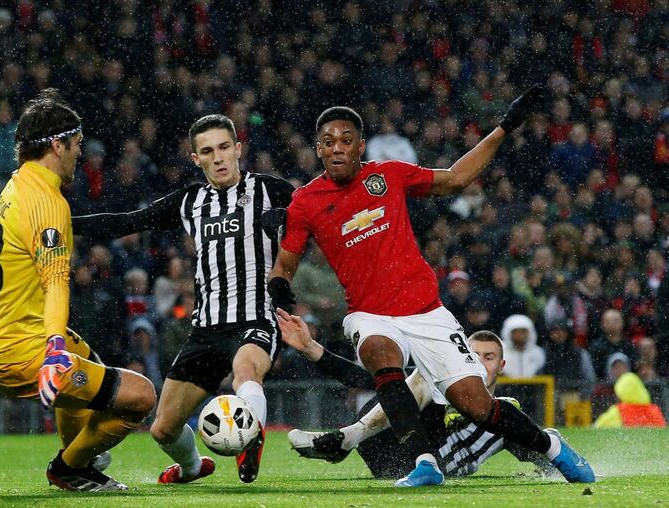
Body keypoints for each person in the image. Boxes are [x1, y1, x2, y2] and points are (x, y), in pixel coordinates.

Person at [268, 89, 594, 487]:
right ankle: (426, 464)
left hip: (426, 312)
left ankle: (552, 448)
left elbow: (455, 178)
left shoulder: (388, 174)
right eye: (329, 142)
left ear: (360, 146)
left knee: (478, 407)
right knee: (379, 353)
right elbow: (285, 264)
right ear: (319, 149)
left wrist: (504, 127)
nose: (338, 149)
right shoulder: (305, 202)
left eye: (346, 140)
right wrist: (280, 287)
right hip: (368, 312)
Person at [0, 89, 156, 492]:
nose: (79, 154)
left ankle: (78, 451)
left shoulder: (14, 187)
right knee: (140, 397)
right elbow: (55, 281)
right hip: (22, 350)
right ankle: (69, 467)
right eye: (76, 145)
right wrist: (53, 348)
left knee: (84, 354)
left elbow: (7, 264)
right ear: (57, 144)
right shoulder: (49, 203)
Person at [71, 114, 295, 484]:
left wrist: (288, 217)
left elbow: (318, 214)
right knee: (163, 429)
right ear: (196, 159)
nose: (218, 157)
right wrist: (65, 221)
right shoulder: (189, 200)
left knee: (245, 373)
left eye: (225, 147)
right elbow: (128, 221)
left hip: (255, 318)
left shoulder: (272, 191)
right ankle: (192, 468)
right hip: (205, 330)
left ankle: (249, 439)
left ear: (238, 149)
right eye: (208, 151)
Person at [278, 310, 556, 478]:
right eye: (475, 355)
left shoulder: (504, 410)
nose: (482, 362)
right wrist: (310, 348)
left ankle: (347, 438)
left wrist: (554, 459)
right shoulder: (429, 382)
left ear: (502, 365)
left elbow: (535, 450)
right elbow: (363, 379)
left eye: (490, 356)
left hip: (439, 461)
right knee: (397, 381)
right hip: (396, 449)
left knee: (428, 378)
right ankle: (350, 436)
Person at [593, 372, 666, 428]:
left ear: (620, 391)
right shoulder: (654, 410)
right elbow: (662, 429)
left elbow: (597, 427)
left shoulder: (619, 410)